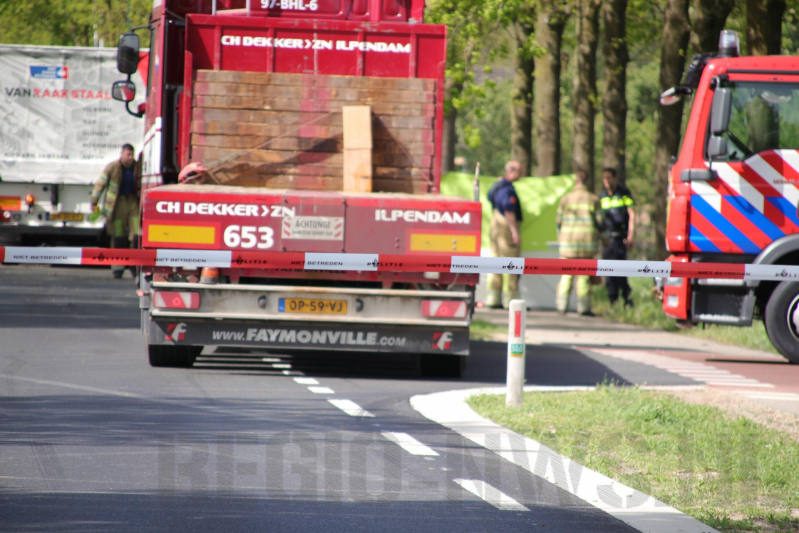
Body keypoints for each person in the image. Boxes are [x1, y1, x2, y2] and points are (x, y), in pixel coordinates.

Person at [555, 170, 603, 316]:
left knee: (566, 276)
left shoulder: (565, 199)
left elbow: (558, 222)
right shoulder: (593, 199)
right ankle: (584, 309)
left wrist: (561, 238)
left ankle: (561, 307)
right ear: (587, 181)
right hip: (586, 247)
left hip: (568, 246)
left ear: (575, 181)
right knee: (583, 277)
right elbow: (600, 223)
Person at [90, 144, 140, 279]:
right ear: (121, 154)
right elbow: (100, 183)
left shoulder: (137, 167)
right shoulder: (113, 167)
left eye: (132, 155)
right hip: (117, 206)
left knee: (136, 236)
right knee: (119, 236)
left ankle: (134, 267)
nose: (130, 158)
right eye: (128, 155)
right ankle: (118, 268)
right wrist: (94, 201)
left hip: (133, 203)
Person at [486, 160, 523, 309]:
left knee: (496, 263)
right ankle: (511, 300)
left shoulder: (496, 185)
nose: (520, 175)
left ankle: (493, 299)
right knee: (511, 264)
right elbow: (509, 210)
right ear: (512, 171)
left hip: (496, 227)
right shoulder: (507, 189)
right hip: (506, 228)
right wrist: (514, 232)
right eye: (519, 171)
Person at [600, 167, 635, 307]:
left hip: (622, 238)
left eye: (609, 177)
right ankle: (612, 303)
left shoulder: (624, 193)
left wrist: (631, 234)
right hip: (608, 239)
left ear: (615, 178)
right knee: (608, 271)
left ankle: (627, 300)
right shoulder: (602, 196)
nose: (606, 181)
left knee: (621, 271)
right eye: (604, 178)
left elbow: (632, 214)